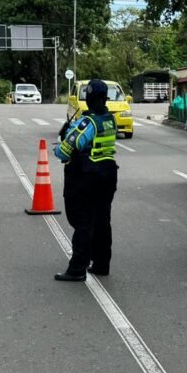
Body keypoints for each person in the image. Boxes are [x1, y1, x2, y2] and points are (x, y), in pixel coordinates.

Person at [53, 79, 119, 282]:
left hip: (87, 177)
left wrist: (62, 140)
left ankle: (77, 269)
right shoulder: (110, 119)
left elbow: (64, 152)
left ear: (88, 99)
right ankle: (101, 264)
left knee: (83, 222)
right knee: (102, 221)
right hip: (108, 175)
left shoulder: (87, 122)